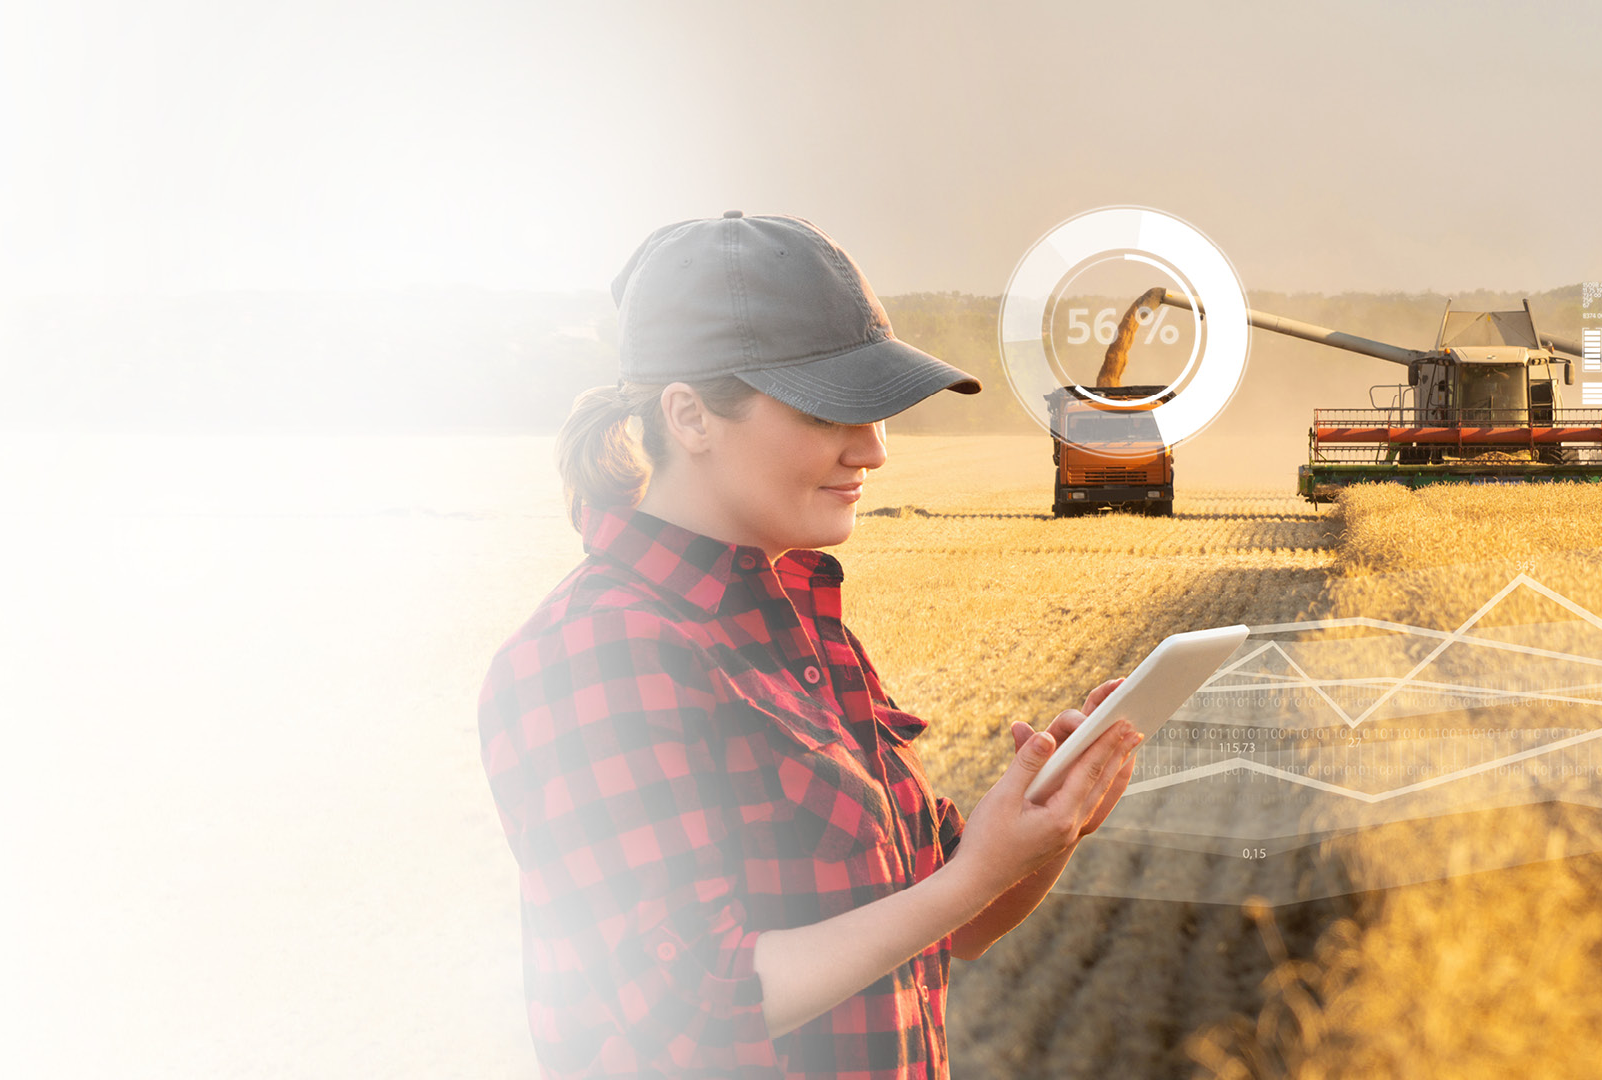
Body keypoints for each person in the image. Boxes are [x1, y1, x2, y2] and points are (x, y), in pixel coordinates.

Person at [478, 211, 1144, 1079]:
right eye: (832, 411)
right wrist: (972, 876)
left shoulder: (793, 620)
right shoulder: (596, 653)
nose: (873, 450)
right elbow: (692, 1009)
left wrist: (1048, 830)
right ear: (690, 416)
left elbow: (948, 922)